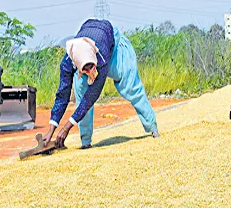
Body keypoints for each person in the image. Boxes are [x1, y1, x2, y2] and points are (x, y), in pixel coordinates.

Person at [43, 19, 160, 149]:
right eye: (85, 69)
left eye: (91, 67)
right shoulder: (67, 63)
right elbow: (62, 95)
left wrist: (66, 128)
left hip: (114, 50)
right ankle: (85, 142)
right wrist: (51, 129)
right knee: (80, 91)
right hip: (91, 47)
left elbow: (91, 97)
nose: (90, 71)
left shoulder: (102, 57)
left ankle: (153, 128)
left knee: (131, 87)